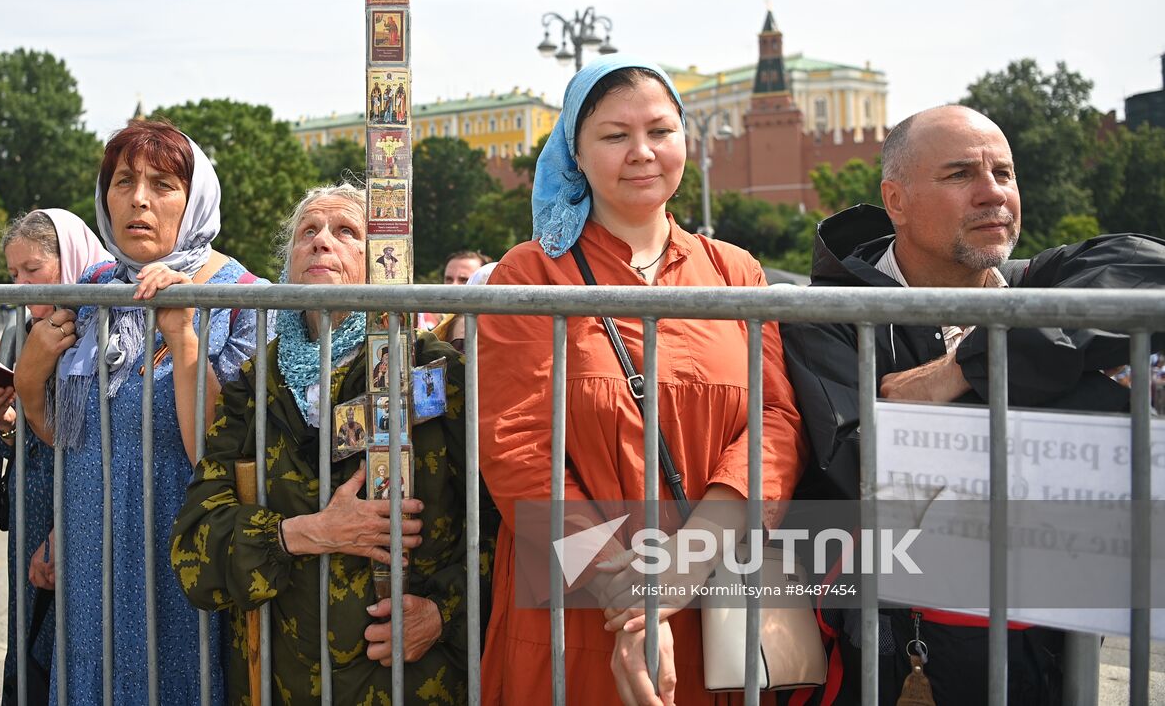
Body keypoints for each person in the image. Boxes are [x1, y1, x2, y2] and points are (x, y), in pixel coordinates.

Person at [779, 104, 1165, 705]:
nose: (992, 195)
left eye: (1004, 174)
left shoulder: (1040, 284)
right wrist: (1067, 387)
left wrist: (965, 367)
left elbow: (1148, 268)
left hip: (1051, 645)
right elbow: (879, 473)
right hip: (903, 653)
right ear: (896, 199)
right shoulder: (832, 316)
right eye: (960, 175)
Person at [476, 57, 807, 706]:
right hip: (576, 611)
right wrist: (624, 595)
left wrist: (685, 563)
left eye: (660, 130)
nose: (642, 151)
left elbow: (774, 424)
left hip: (712, 600)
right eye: (614, 134)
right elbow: (516, 447)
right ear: (575, 149)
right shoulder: (530, 274)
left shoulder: (733, 271)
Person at [171, 183, 492, 703]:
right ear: (289, 263)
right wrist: (305, 533)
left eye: (347, 232)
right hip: (282, 680)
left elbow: (504, 531)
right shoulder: (254, 388)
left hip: (408, 683)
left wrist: (444, 613)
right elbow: (195, 551)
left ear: (385, 263)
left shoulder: (435, 373)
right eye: (308, 232)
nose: (322, 242)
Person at [15, 118, 262, 704]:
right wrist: (29, 382)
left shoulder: (241, 296)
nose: (139, 199)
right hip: (87, 545)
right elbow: (62, 434)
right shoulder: (97, 286)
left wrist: (183, 345)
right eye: (123, 182)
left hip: (180, 548)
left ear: (195, 197)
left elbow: (213, 451)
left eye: (163, 184)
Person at [0, 209, 110, 703]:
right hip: (33, 509)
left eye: (33, 269)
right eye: (13, 274)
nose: (22, 286)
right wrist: (5, 422)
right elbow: (34, 438)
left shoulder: (97, 331)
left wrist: (29, 385)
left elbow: (87, 439)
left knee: (71, 644)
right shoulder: (31, 328)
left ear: (68, 260)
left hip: (77, 511)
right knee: (30, 641)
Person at [430, 251, 493, 351]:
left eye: (464, 280)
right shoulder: (430, 322)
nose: (453, 286)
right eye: (449, 279)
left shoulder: (491, 326)